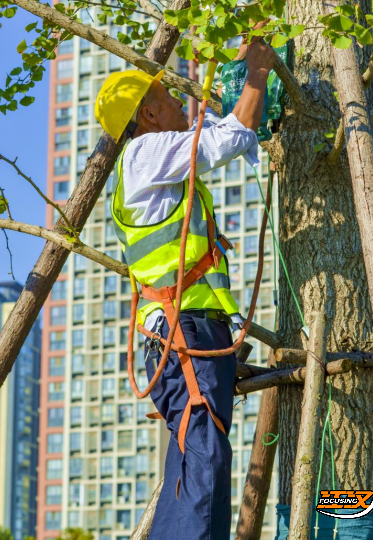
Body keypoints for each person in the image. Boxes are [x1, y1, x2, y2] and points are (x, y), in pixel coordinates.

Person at [95, 38, 276, 540]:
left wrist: (243, 69)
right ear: (150, 113)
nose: (182, 102)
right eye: (171, 98)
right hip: (183, 333)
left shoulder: (155, 159)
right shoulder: (146, 153)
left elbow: (221, 128)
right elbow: (234, 135)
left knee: (204, 456)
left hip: (192, 332)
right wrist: (258, 73)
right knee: (204, 456)